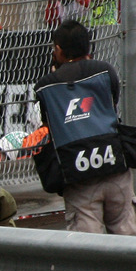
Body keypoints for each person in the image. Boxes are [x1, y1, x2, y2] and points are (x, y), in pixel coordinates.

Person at [31, 19, 136, 237]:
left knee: (87, 246)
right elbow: (111, 103)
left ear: (58, 50)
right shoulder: (105, 71)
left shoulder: (45, 86)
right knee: (127, 233)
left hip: (78, 175)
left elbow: (47, 123)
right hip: (115, 164)